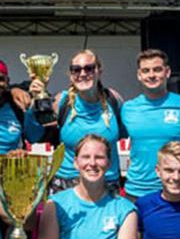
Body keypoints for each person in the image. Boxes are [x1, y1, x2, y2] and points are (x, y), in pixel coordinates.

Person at [31, 49, 124, 194]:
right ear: (70, 75)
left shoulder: (113, 99)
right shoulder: (61, 101)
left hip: (107, 182)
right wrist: (36, 100)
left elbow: (124, 133)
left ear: (99, 71)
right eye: (76, 70)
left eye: (89, 68)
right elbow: (35, 134)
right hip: (67, 184)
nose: (82, 74)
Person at [121, 49, 180, 201]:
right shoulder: (128, 109)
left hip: (175, 191)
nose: (151, 75)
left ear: (167, 72)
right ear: (139, 75)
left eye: (157, 70)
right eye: (146, 71)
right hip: (135, 192)